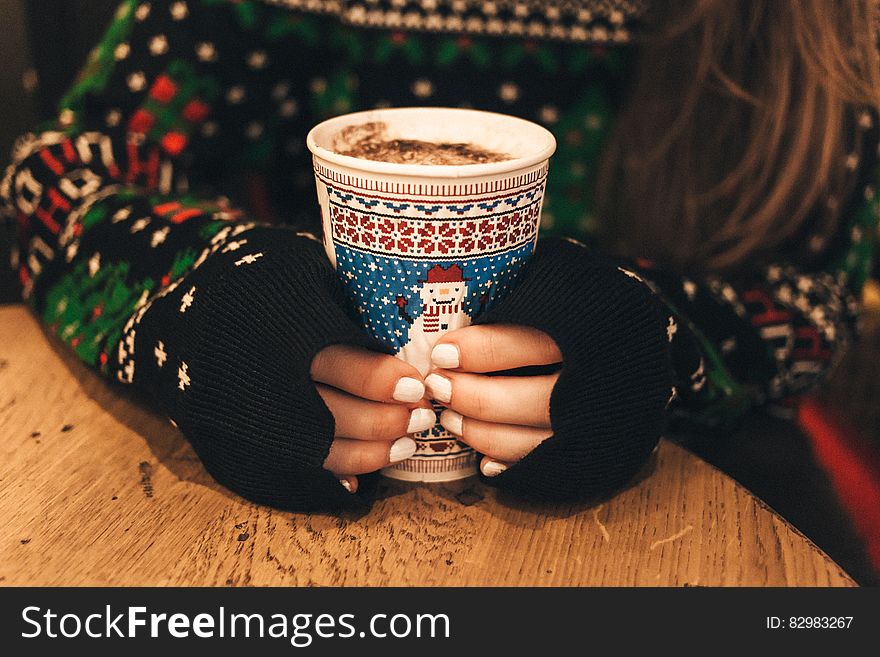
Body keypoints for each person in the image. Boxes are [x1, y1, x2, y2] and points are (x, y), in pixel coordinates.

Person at [2, 0, 877, 511]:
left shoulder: (803, 30)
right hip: (316, 497)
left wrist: (663, 345)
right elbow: (58, 173)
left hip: (694, 486)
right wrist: (205, 294)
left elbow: (815, 301)